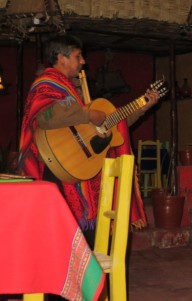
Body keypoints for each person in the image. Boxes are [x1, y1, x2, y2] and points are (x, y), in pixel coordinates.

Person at [18, 35, 160, 249]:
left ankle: (91, 281)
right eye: (78, 56)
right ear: (60, 58)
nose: (83, 61)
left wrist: (143, 106)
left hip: (82, 171)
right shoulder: (46, 84)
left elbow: (110, 123)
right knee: (63, 238)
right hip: (59, 168)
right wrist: (88, 116)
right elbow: (45, 118)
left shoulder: (74, 91)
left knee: (88, 240)